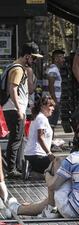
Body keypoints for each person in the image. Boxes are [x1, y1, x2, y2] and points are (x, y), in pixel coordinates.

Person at [3, 42, 43, 178]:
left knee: (17, 138)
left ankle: (14, 167)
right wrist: (19, 109)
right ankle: (11, 169)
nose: (34, 61)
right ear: (27, 56)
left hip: (14, 108)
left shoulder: (19, 68)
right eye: (33, 58)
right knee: (15, 139)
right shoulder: (18, 69)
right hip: (14, 108)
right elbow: (13, 88)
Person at [24, 96, 55, 174]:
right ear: (42, 106)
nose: (53, 108)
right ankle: (33, 171)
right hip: (37, 155)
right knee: (61, 165)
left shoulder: (38, 117)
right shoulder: (41, 118)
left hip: (31, 154)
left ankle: (33, 171)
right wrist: (49, 153)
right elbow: (40, 137)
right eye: (50, 106)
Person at [44, 49, 65, 130]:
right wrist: (55, 101)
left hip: (52, 100)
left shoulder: (54, 69)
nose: (63, 60)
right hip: (52, 101)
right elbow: (51, 85)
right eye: (61, 58)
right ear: (56, 59)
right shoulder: (53, 69)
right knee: (51, 125)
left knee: (51, 125)